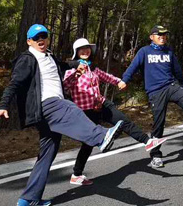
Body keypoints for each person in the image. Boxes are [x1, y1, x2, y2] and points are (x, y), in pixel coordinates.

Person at [0, 25, 123, 206]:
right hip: (46, 104)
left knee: (48, 152)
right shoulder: (27, 59)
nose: (40, 40)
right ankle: (101, 136)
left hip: (50, 109)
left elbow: (63, 65)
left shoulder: (50, 56)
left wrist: (78, 64)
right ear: (29, 41)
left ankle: (28, 199)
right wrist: (2, 105)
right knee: (71, 108)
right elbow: (14, 83)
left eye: (44, 36)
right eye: (36, 38)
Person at [61, 37, 168, 186]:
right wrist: (77, 73)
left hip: (101, 104)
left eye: (87, 48)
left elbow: (107, 77)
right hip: (86, 111)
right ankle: (76, 175)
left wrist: (119, 81)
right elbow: (66, 87)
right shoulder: (71, 70)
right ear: (76, 52)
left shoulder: (94, 69)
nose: (85, 51)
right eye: (81, 49)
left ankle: (148, 142)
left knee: (124, 121)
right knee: (88, 144)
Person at [121, 25, 183, 168]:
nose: (162, 37)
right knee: (159, 123)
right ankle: (156, 155)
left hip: (170, 85)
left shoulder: (169, 51)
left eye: (164, 35)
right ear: (152, 37)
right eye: (159, 35)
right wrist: (124, 80)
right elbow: (133, 67)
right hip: (155, 91)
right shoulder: (144, 51)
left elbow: (177, 72)